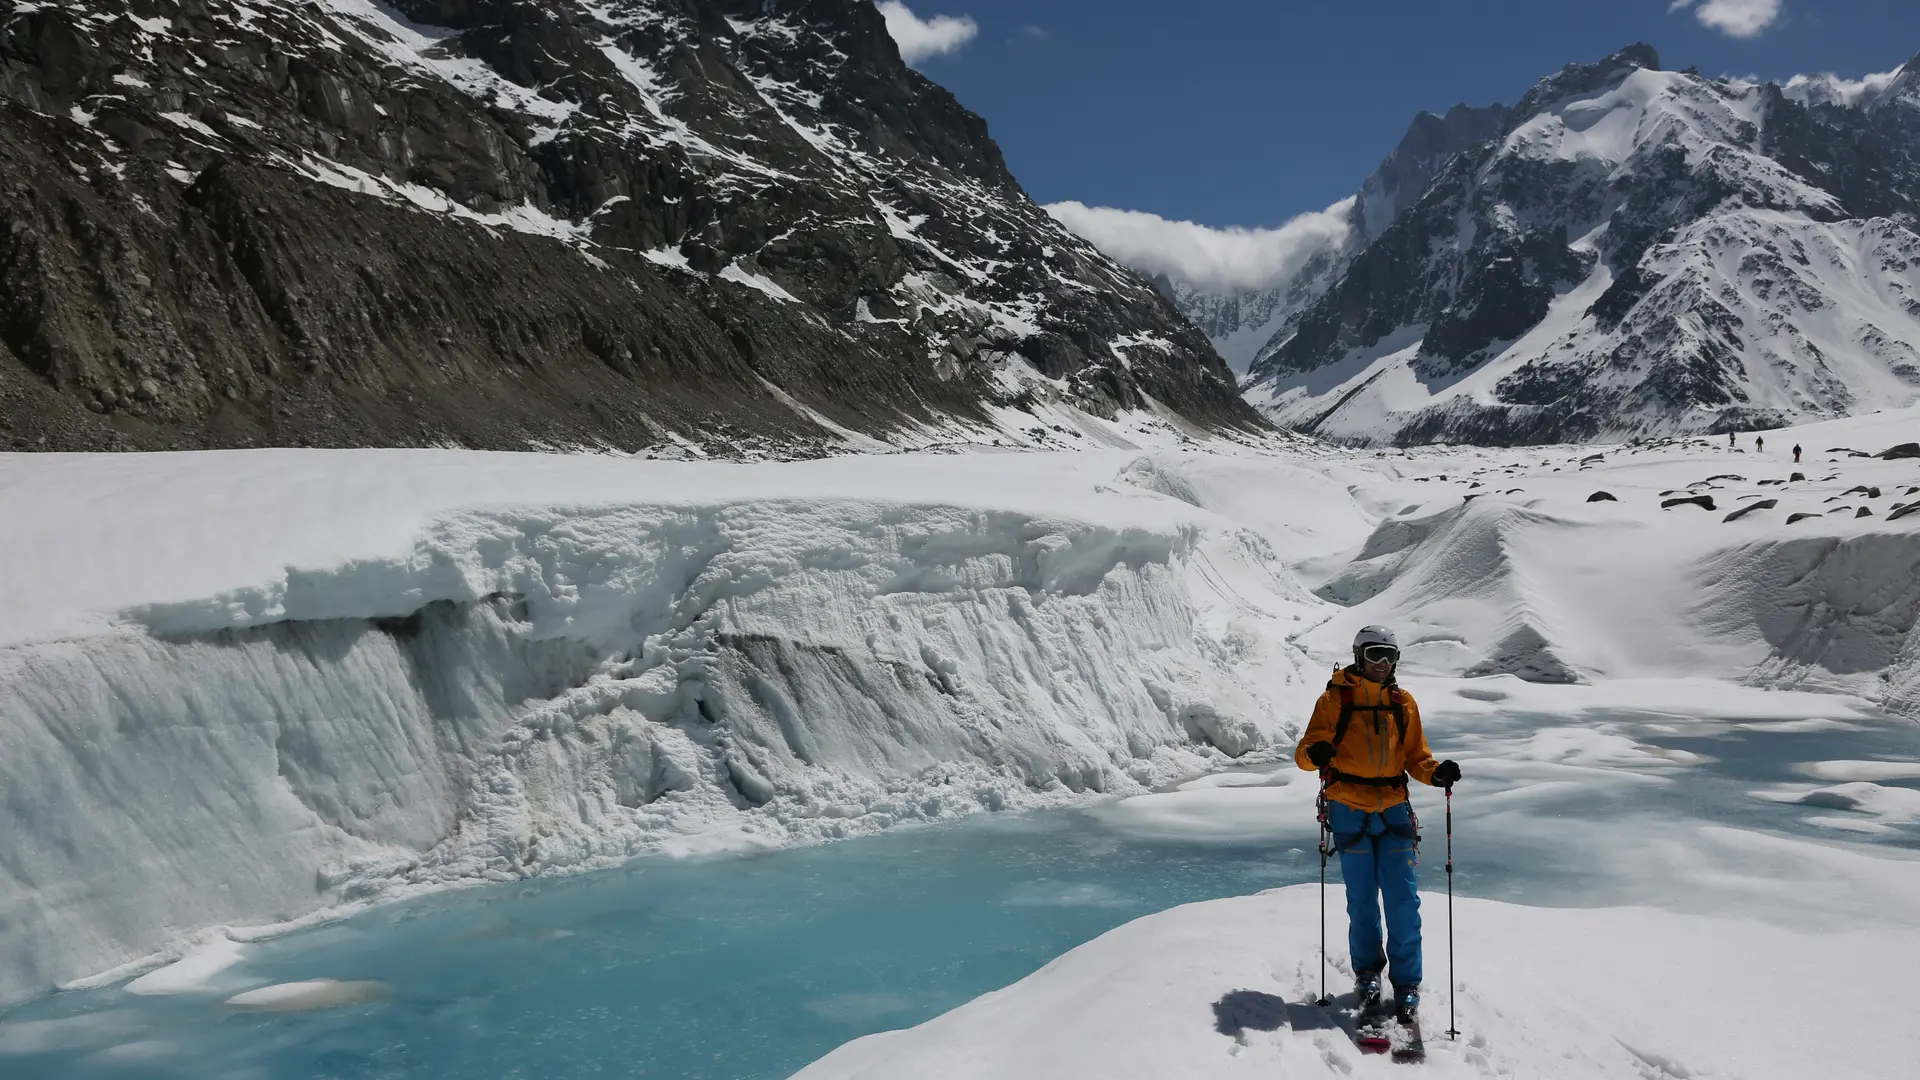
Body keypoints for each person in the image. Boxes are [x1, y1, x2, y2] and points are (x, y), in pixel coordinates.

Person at [1297, 626, 1461, 1028]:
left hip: (1392, 809)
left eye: (1389, 655)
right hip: (1348, 808)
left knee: (1404, 902)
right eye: (1374, 654)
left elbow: (1416, 757)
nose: (1382, 663)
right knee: (1363, 901)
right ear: (1358, 656)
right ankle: (1367, 973)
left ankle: (1406, 982)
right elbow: (1305, 753)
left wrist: (1436, 773)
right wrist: (1316, 753)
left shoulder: (1402, 703)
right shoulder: (1334, 700)